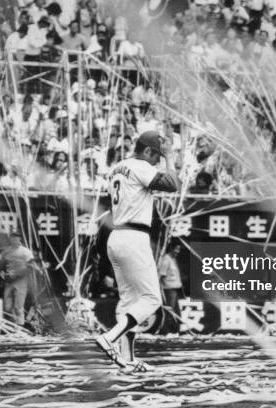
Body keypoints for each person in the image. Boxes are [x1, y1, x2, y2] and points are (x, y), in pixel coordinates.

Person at [95, 130, 180, 372]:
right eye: (157, 156)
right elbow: (172, 184)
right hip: (134, 236)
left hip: (117, 235)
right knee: (152, 299)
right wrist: (171, 158)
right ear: (147, 151)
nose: (157, 161)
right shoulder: (140, 165)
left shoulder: (118, 167)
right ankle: (108, 337)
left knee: (129, 301)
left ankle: (128, 360)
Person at [0, 231, 34, 326]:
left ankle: (20, 327)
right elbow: (0, 267)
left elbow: (31, 267)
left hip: (21, 281)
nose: (14, 239)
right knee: (7, 307)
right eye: (12, 238)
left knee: (18, 307)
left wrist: (18, 274)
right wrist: (3, 276)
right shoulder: (6, 251)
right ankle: (11, 326)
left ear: (20, 238)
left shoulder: (26, 252)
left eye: (16, 237)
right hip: (9, 281)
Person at [158, 241, 183, 334]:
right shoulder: (166, 260)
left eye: (179, 249)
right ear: (171, 249)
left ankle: (175, 332)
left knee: (176, 312)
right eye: (176, 249)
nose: (178, 251)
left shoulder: (173, 259)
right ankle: (166, 332)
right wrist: (160, 291)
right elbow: (160, 276)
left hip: (175, 289)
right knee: (170, 312)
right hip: (168, 290)